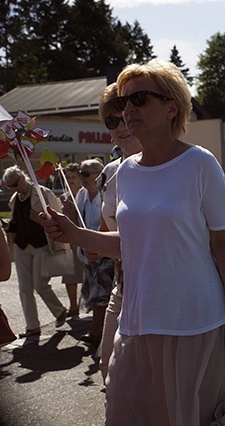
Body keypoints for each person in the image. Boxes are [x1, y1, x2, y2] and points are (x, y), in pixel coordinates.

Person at [40, 59, 225, 425]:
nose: (127, 110)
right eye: (122, 103)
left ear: (171, 107)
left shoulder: (201, 163)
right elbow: (132, 243)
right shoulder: (126, 172)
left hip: (192, 319)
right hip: (137, 316)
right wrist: (73, 233)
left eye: (138, 99)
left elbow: (223, 244)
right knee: (126, 411)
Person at [95, 82, 143, 380]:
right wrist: (86, 240)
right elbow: (105, 225)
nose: (120, 126)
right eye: (112, 121)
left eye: (127, 117)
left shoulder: (174, 165)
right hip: (122, 282)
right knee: (107, 367)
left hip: (160, 288)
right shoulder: (109, 173)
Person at [2, 166, 67, 337]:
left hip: (41, 244)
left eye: (14, 184)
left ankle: (59, 311)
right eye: (9, 187)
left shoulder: (42, 193)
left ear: (23, 178)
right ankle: (32, 326)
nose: (13, 189)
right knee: (24, 287)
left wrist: (38, 217)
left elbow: (57, 218)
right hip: (22, 245)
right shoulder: (15, 198)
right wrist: (8, 226)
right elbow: (16, 223)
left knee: (40, 284)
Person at [74, 158, 110, 347]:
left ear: (98, 174)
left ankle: (96, 333)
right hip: (87, 252)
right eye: (81, 173)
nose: (82, 177)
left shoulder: (106, 195)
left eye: (85, 173)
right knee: (92, 291)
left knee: (100, 293)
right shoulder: (81, 195)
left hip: (103, 252)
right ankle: (101, 331)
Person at [60, 163, 84, 316]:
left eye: (74, 177)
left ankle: (94, 307)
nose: (70, 180)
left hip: (85, 239)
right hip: (71, 242)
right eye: (68, 177)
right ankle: (73, 306)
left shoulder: (86, 194)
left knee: (89, 276)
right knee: (70, 276)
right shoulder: (64, 197)